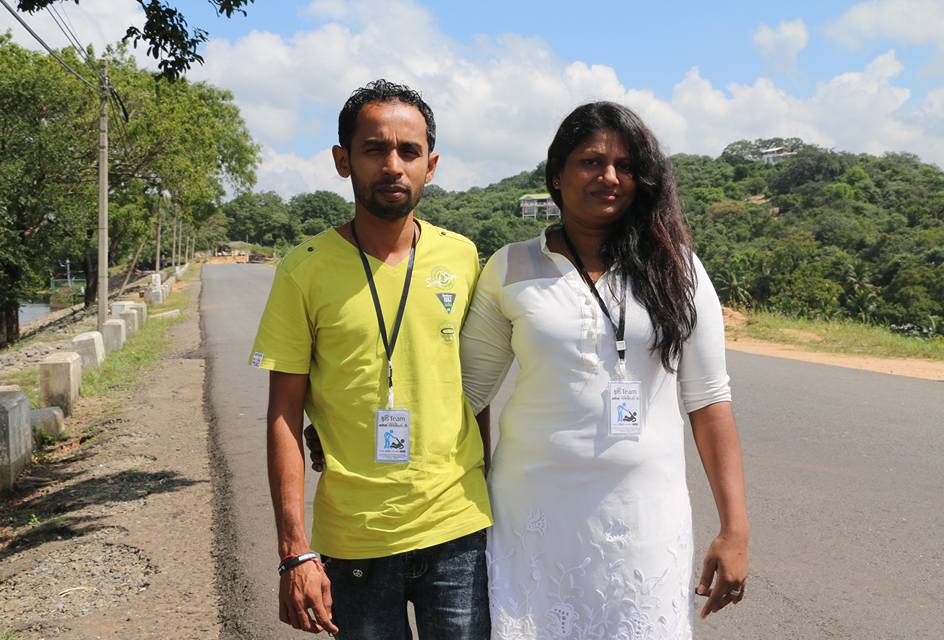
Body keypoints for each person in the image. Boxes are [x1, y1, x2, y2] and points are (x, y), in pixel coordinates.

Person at [460, 102, 749, 639]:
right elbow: (469, 394)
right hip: (532, 517)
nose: (609, 177)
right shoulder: (510, 266)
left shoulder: (678, 269)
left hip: (643, 520)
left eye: (625, 165)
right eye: (591, 161)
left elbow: (709, 400)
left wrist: (735, 529)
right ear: (557, 175)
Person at [249, 79, 492, 639]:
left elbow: (476, 384)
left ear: (431, 165)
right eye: (374, 149)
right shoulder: (304, 269)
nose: (392, 166)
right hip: (354, 539)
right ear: (343, 160)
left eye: (409, 151)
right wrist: (294, 551)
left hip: (458, 529)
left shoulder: (462, 257)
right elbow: (283, 413)